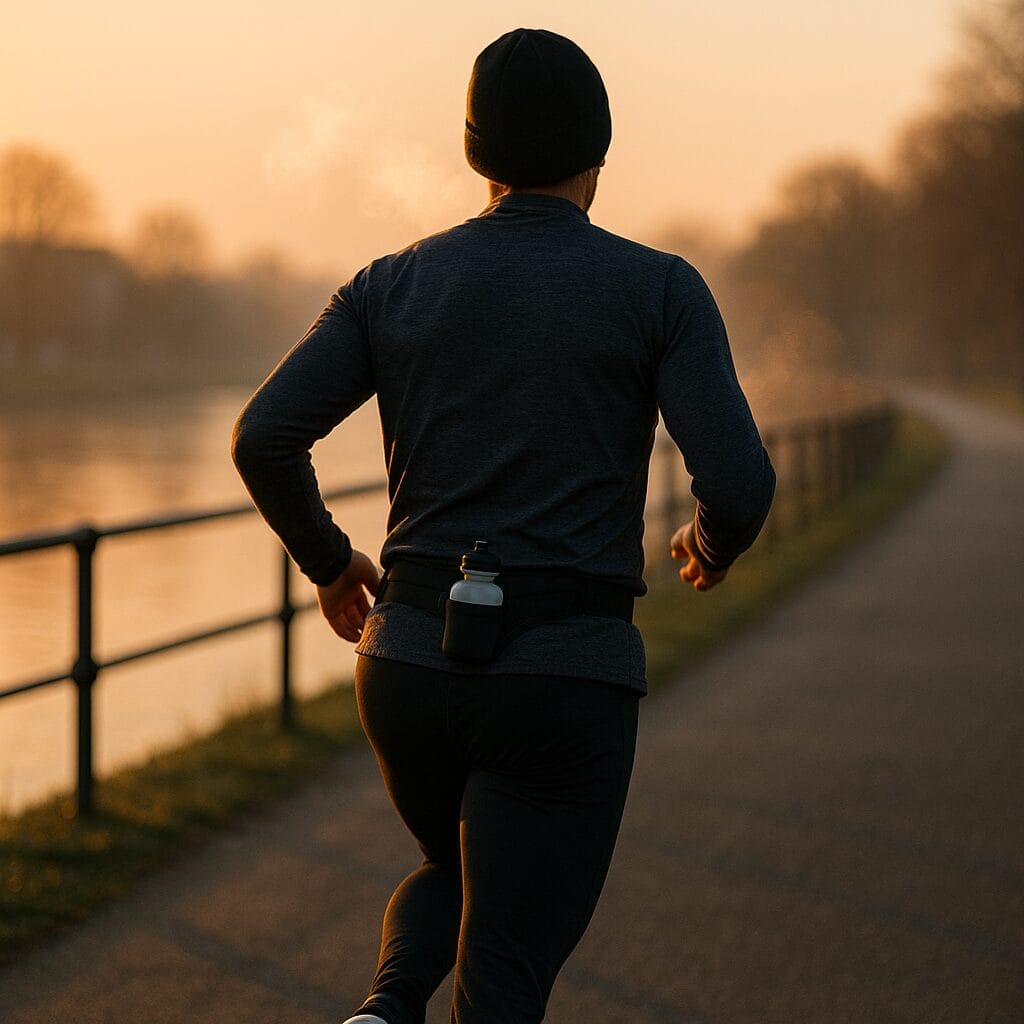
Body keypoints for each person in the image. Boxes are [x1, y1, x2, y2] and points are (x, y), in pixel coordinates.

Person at [232, 27, 775, 1024]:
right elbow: (738, 484)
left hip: (406, 668)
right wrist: (708, 542)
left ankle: (385, 1009)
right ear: (597, 153)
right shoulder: (659, 289)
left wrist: (329, 558)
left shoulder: (388, 284)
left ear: (476, 150)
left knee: (458, 862)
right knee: (510, 958)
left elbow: (265, 437)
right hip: (563, 677)